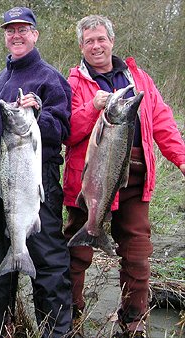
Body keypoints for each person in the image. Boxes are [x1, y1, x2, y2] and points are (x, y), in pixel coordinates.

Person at [63, 14, 185, 338]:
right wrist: (92, 107)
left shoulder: (139, 78)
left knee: (137, 254)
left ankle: (132, 324)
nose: (96, 45)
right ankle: (69, 321)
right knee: (77, 254)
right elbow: (67, 131)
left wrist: (182, 160)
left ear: (112, 41)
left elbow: (162, 122)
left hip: (133, 180)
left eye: (101, 38)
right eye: (89, 41)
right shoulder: (74, 83)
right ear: (81, 46)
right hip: (89, 183)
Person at [0, 7, 72, 338]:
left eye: (23, 29)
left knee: (47, 260)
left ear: (35, 34)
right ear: (5, 36)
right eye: (10, 30)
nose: (16, 35)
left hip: (37, 178)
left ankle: (54, 331)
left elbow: (62, 128)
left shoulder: (49, 78)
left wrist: (38, 115)